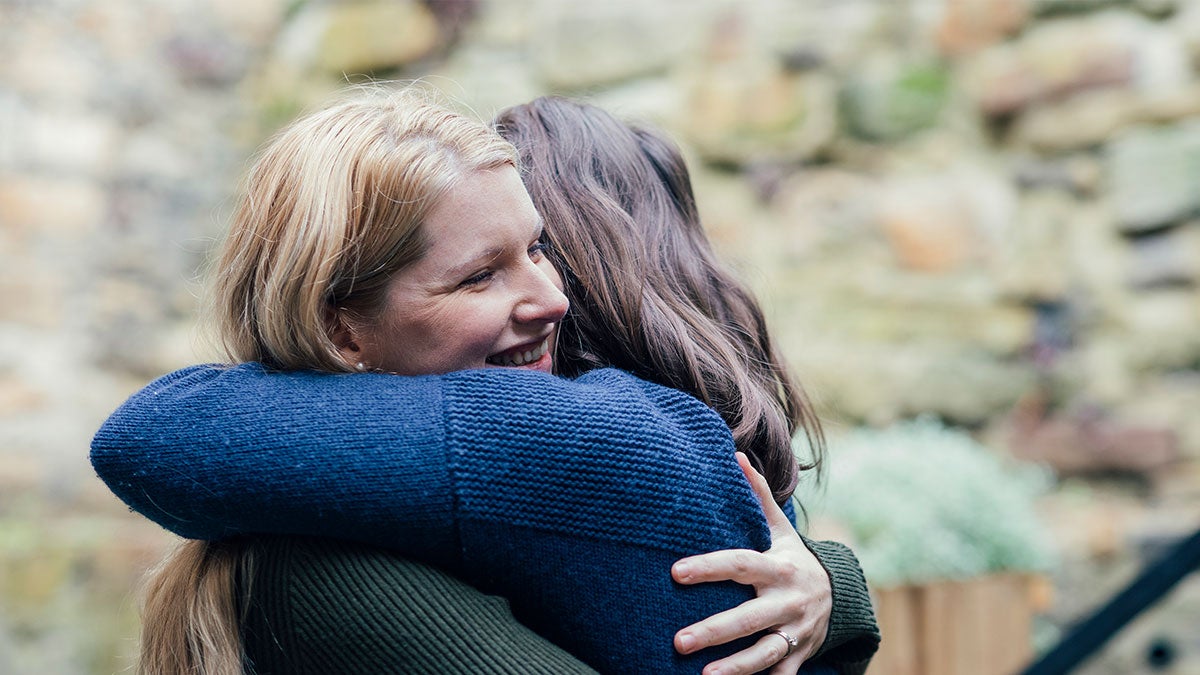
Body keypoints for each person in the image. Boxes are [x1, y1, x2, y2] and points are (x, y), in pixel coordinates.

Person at [92, 89, 878, 674]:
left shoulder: (285, 560)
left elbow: (148, 435)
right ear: (341, 329)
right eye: (478, 276)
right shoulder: (340, 536)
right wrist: (836, 584)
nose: (553, 298)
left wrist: (832, 583)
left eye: (538, 249)